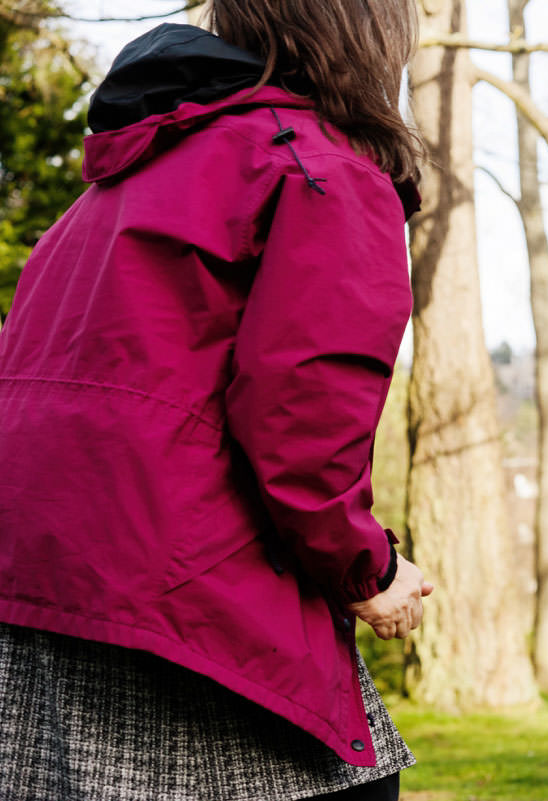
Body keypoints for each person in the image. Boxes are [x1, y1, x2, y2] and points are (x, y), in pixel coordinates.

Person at [0, 2, 429, 799]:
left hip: (39, 599)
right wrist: (371, 571)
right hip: (175, 603)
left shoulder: (107, 192)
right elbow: (304, 426)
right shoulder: (319, 172)